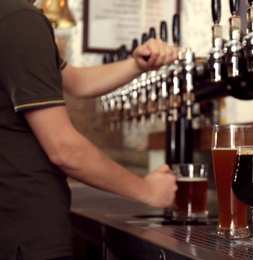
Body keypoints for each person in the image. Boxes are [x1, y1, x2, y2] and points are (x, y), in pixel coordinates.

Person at [0, 0, 179, 259]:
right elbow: (64, 149)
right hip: (25, 232)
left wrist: (138, 65)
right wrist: (149, 191)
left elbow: (73, 81)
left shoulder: (11, 17)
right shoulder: (21, 19)